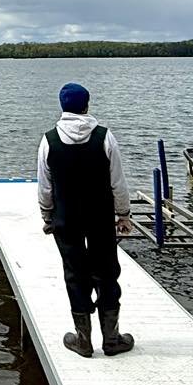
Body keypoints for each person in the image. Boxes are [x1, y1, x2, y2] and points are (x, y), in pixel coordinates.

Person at [36, 82, 134, 358]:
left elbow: (45, 187)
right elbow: (118, 182)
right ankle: (112, 339)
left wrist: (47, 215)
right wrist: (123, 214)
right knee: (107, 273)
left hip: (66, 220)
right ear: (87, 105)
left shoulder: (49, 140)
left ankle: (83, 340)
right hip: (100, 217)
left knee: (75, 275)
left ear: (62, 106)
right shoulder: (104, 137)